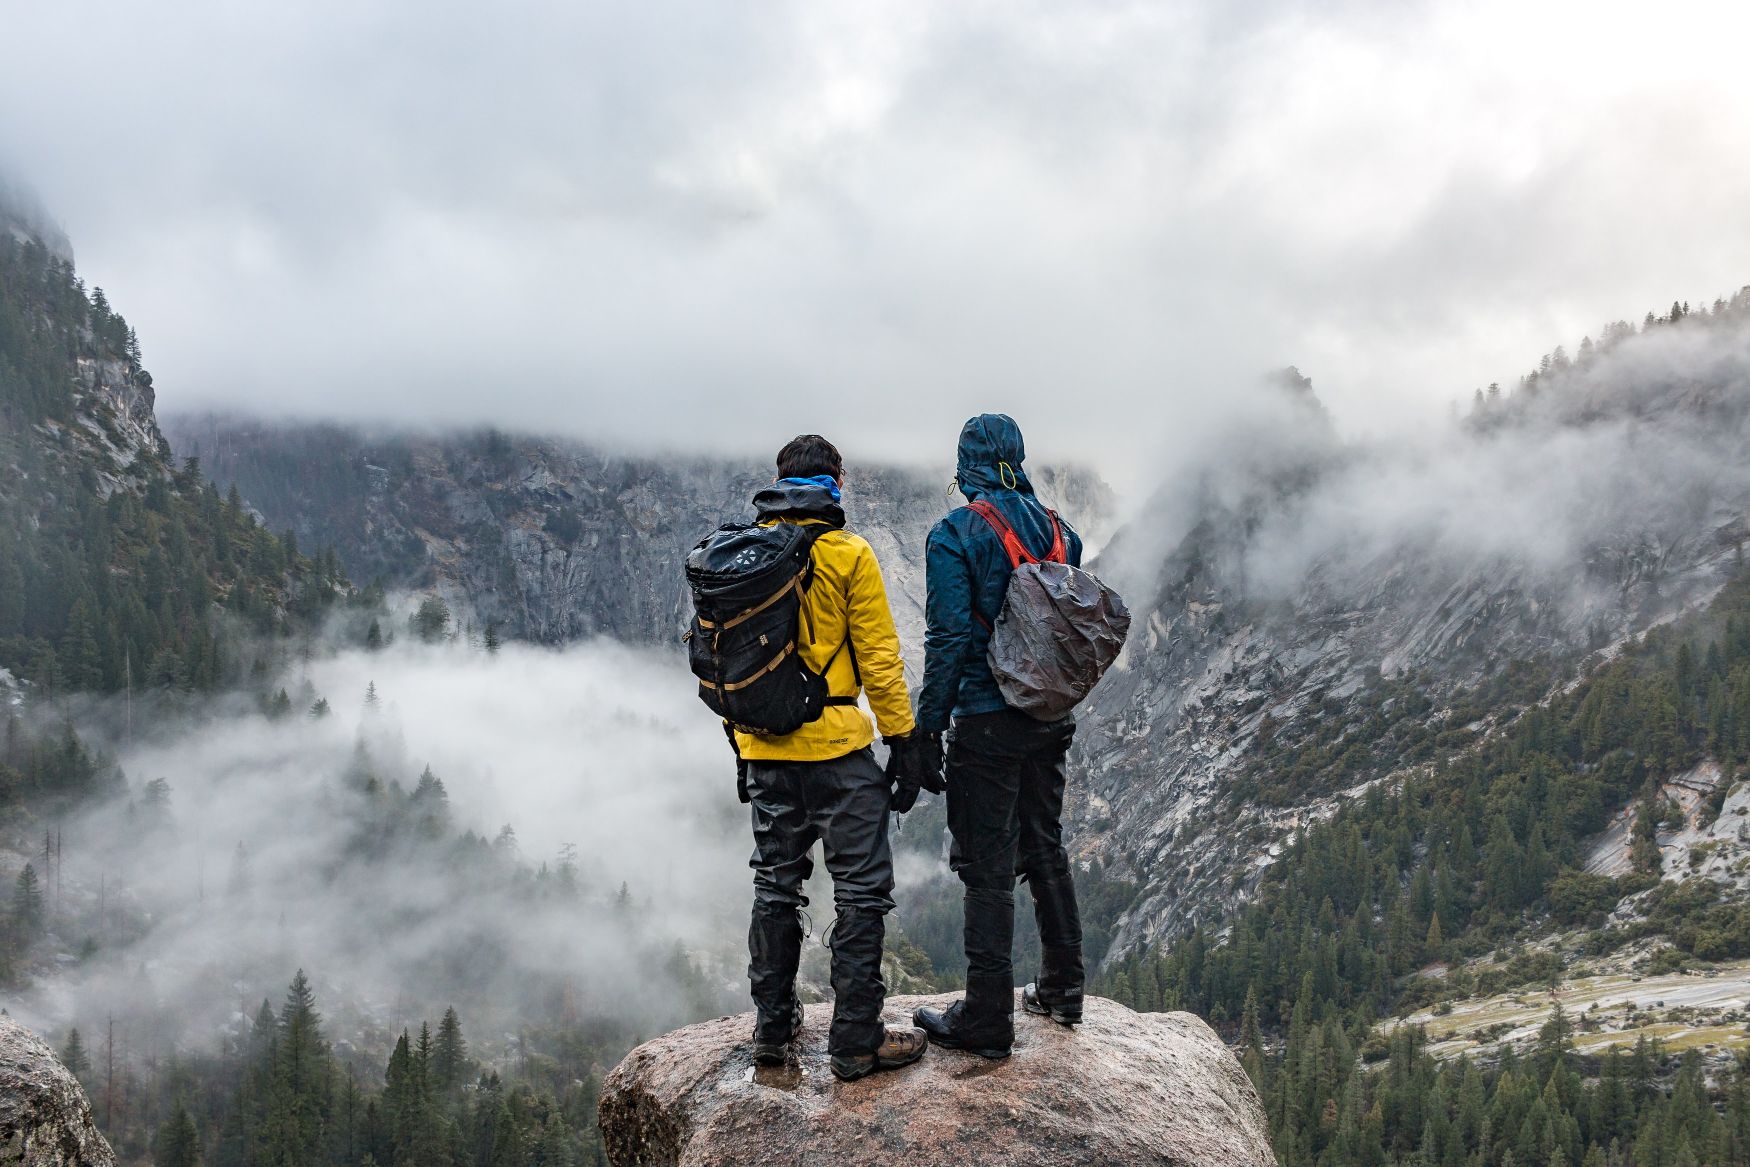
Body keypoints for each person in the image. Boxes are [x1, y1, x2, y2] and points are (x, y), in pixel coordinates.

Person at [735, 434, 929, 1082]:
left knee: (774, 888)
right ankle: (854, 1042)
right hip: (840, 751)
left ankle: (771, 1035)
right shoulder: (849, 554)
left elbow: (729, 668)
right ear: (836, 483)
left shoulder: (745, 557)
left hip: (764, 750)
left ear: (780, 482)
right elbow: (879, 660)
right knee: (862, 894)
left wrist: (744, 748)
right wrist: (903, 743)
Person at [911, 414, 1087, 1059]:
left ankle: (987, 1020)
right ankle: (1064, 989)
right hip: (1050, 716)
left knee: (986, 868)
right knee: (1045, 845)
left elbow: (950, 639)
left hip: (987, 720)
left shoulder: (955, 534)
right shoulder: (1063, 534)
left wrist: (926, 729)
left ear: (967, 466)